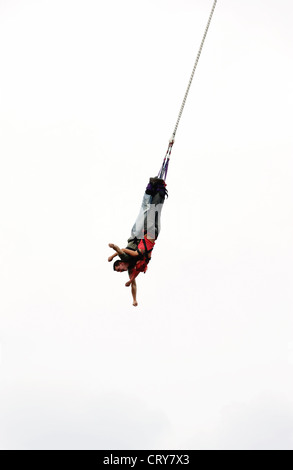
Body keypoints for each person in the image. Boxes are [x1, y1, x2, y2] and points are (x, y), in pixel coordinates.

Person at [108, 177, 167, 306]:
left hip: (137, 234)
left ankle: (151, 189)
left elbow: (120, 250)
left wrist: (112, 253)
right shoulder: (131, 270)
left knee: (144, 210)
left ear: (121, 263)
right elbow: (133, 285)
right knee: (154, 212)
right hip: (147, 236)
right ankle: (160, 192)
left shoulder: (124, 257)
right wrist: (134, 299)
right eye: (120, 271)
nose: (121, 271)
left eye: (119, 269)